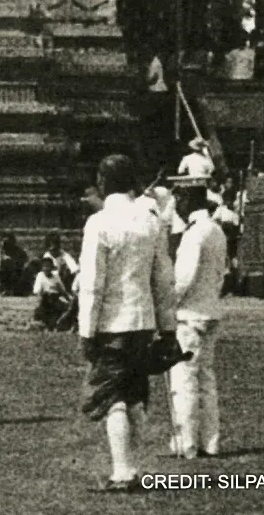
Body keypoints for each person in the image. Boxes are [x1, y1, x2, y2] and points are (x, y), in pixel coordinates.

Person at [78, 154, 178, 492]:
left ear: (104, 183)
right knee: (135, 394)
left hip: (111, 324)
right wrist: (169, 328)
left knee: (111, 397)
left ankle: (123, 472)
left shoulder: (99, 223)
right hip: (143, 322)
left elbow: (93, 284)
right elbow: (163, 279)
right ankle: (135, 466)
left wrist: (86, 331)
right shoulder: (150, 221)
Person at [167, 176, 228, 459]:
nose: (176, 205)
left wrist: (165, 308)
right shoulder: (216, 230)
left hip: (189, 316)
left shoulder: (195, 234)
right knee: (205, 379)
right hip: (210, 311)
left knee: (184, 381)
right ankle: (210, 442)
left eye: (178, 199)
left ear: (187, 199)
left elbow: (183, 279)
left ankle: (187, 442)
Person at [32, 257, 72, 331]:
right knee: (41, 311)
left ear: (52, 267)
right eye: (45, 266)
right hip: (45, 299)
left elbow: (62, 290)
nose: (47, 268)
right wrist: (40, 299)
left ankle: (60, 324)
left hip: (55, 298)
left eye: (48, 266)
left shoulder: (55, 276)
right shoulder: (40, 275)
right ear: (42, 267)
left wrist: (69, 300)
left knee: (67, 309)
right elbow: (37, 291)